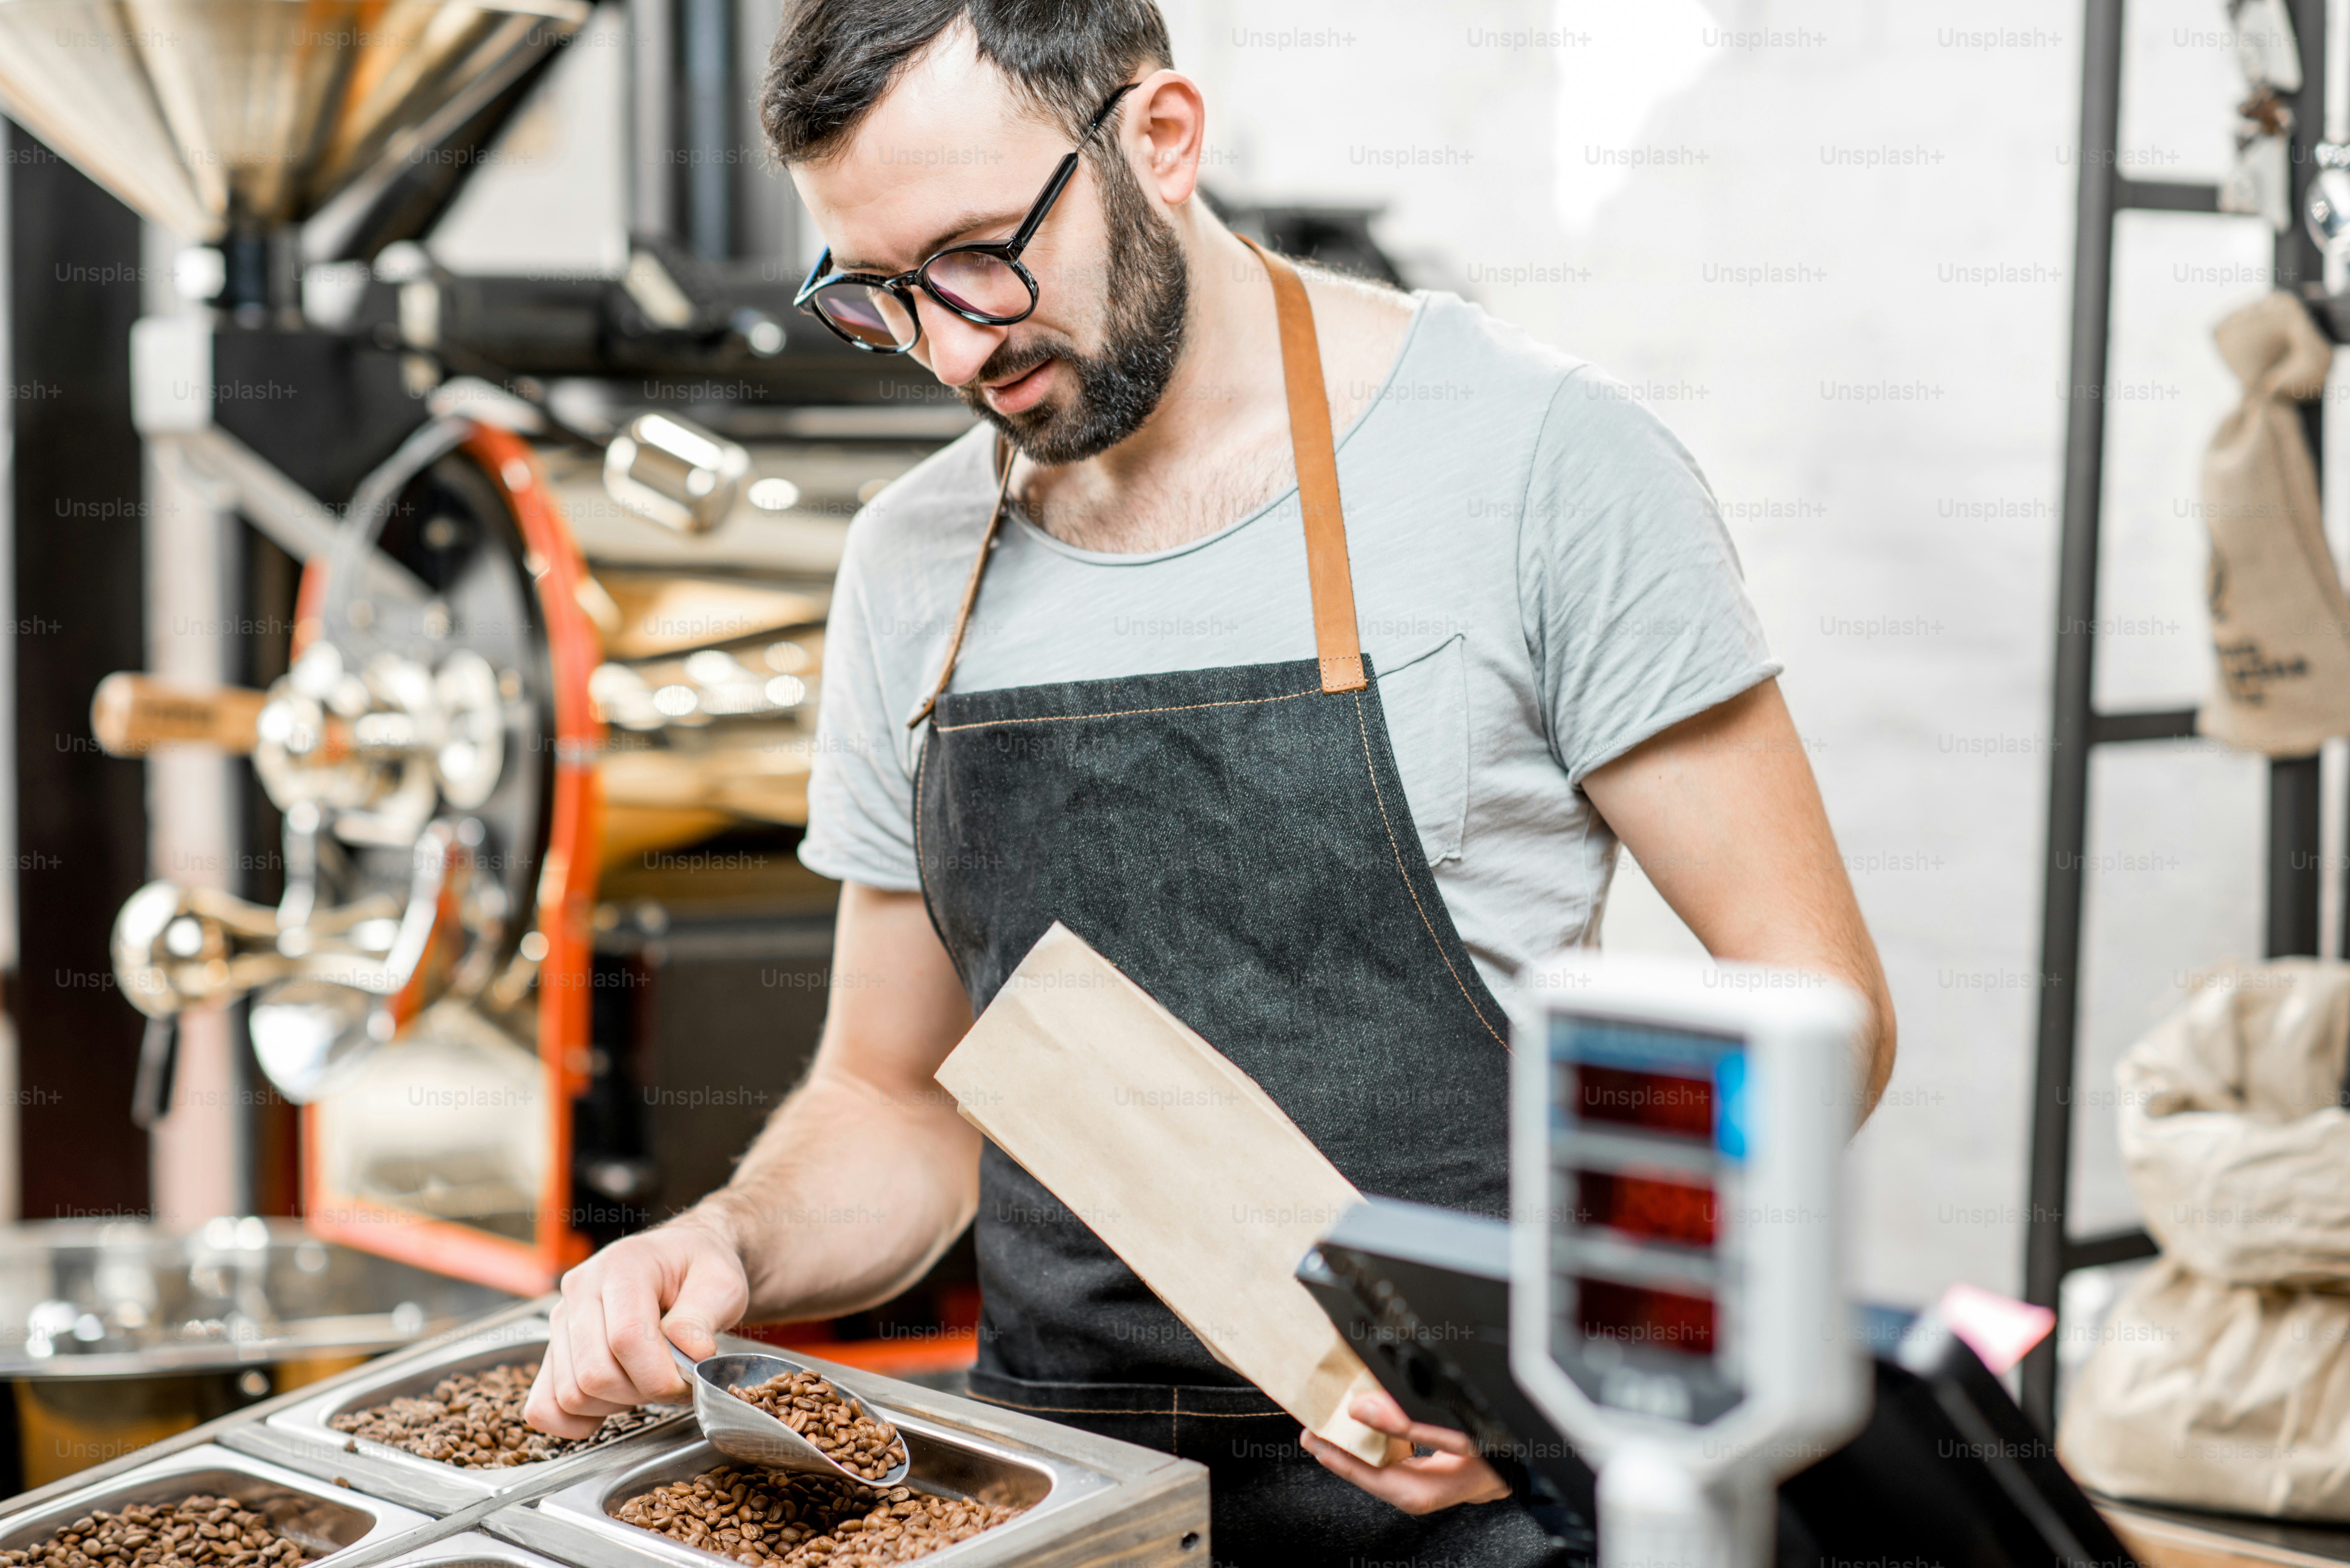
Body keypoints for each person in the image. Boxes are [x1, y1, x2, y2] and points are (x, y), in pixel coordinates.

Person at [525, 2, 1897, 1561]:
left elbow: (1815, 1011)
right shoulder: (911, 560)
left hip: (1493, 1496)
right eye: (882, 297)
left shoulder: (1542, 462)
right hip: (1069, 1503)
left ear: (1161, 138)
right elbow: (891, 1098)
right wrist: (724, 1241)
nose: (956, 348)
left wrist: (1559, 1370)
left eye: (984, 255)